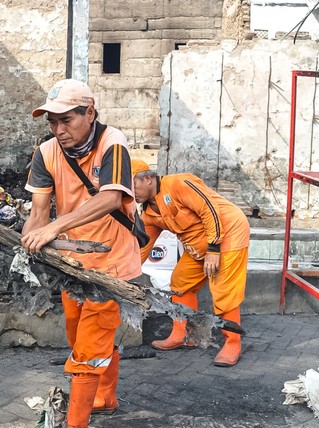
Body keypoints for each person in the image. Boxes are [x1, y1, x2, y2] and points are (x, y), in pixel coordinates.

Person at [21, 79, 142, 428]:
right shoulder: (46, 152)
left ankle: (76, 423)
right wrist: (28, 243)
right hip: (71, 264)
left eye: (66, 120)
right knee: (78, 337)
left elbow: (111, 198)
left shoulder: (112, 142)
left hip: (111, 264)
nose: (58, 130)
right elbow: (38, 213)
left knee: (88, 348)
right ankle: (105, 397)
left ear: (89, 113)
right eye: (52, 122)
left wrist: (54, 228)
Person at [131, 159, 250, 367]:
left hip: (229, 233)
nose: (131, 193)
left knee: (224, 291)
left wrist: (214, 248)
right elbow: (142, 248)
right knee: (180, 282)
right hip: (199, 245)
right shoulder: (148, 214)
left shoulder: (178, 183)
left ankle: (233, 343)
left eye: (132, 186)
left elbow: (209, 209)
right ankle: (185, 334)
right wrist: (122, 271)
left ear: (148, 178)